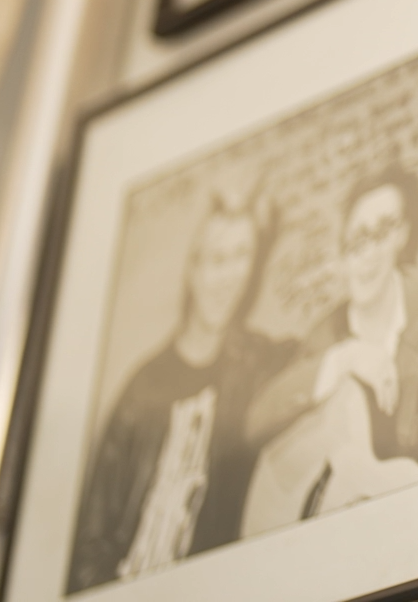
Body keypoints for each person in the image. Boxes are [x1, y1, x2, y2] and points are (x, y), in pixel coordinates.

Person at [66, 200, 289, 593]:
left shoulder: (257, 364)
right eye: (218, 259)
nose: (229, 277)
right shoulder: (142, 390)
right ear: (193, 268)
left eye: (242, 258)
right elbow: (91, 538)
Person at [240, 166, 418, 534]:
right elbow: (254, 424)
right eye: (355, 239)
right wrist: (345, 358)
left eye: (382, 231)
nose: (366, 253)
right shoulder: (326, 334)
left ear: (403, 236)